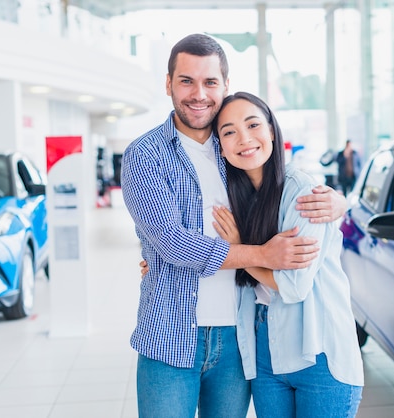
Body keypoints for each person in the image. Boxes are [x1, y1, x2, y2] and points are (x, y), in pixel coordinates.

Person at [120, 33, 347, 418]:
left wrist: (340, 202)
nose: (199, 94)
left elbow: (285, 186)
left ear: (225, 84)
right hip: (170, 334)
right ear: (168, 84)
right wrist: (260, 254)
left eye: (210, 82)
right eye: (186, 81)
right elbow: (173, 244)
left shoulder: (237, 152)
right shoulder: (145, 155)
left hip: (240, 338)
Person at [211, 92, 364, 417]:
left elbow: (293, 286)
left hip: (319, 349)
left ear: (271, 130)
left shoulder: (303, 193)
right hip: (266, 349)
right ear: (220, 145)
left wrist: (241, 248)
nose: (244, 139)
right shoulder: (233, 196)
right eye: (229, 132)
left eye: (253, 125)